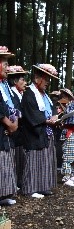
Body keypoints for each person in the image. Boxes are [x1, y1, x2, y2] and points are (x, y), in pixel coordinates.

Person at [21, 64, 59, 198]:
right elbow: (31, 112)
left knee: (45, 159)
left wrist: (55, 116)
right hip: (34, 132)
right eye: (46, 79)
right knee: (34, 160)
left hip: (46, 132)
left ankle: (43, 186)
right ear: (38, 79)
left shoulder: (45, 95)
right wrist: (46, 120)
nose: (48, 82)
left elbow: (52, 109)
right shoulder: (29, 94)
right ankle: (30, 189)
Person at [0, 47, 19, 206]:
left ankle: (3, 193)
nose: (7, 68)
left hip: (5, 131)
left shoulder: (4, 85)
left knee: (4, 159)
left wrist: (14, 123)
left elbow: (11, 106)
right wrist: (8, 123)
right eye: (4, 64)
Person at [5, 65, 28, 193]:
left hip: (20, 133)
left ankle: (19, 181)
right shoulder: (11, 94)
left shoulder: (19, 94)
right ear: (14, 81)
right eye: (22, 80)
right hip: (14, 132)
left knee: (19, 158)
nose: (25, 83)